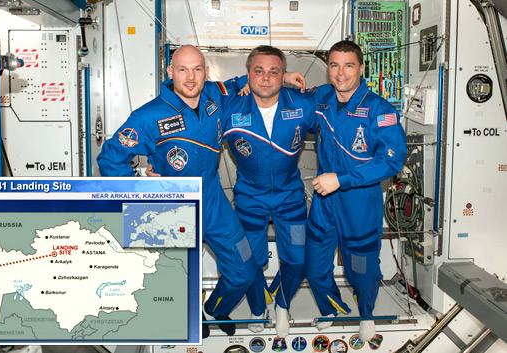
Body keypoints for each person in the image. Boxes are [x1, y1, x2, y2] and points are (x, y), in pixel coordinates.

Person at [97, 45, 259, 338]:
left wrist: (286, 78)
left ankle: (216, 308)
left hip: (212, 200)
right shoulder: (148, 116)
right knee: (176, 277)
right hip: (173, 204)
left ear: (206, 73)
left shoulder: (215, 95)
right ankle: (191, 312)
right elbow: (110, 158)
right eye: (182, 69)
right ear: (170, 72)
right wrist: (140, 190)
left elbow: (246, 81)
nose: (190, 77)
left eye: (197, 69)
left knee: (245, 269)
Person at [305, 40, 406, 342]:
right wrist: (284, 79)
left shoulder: (380, 110)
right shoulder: (321, 98)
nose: (340, 72)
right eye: (334, 65)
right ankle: (330, 308)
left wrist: (343, 179)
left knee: (360, 269)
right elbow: (285, 103)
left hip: (359, 203)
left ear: (361, 68)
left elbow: (391, 159)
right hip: (324, 201)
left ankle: (367, 313)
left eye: (348, 65)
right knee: (314, 264)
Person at [221, 45, 315, 338]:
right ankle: (257, 306)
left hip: (290, 198)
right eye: (257, 71)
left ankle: (282, 304)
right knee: (251, 261)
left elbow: (337, 125)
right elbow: (196, 99)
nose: (265, 78)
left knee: (299, 258)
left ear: (283, 75)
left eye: (274, 72)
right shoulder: (230, 108)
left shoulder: (303, 105)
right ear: (247, 74)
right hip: (250, 197)